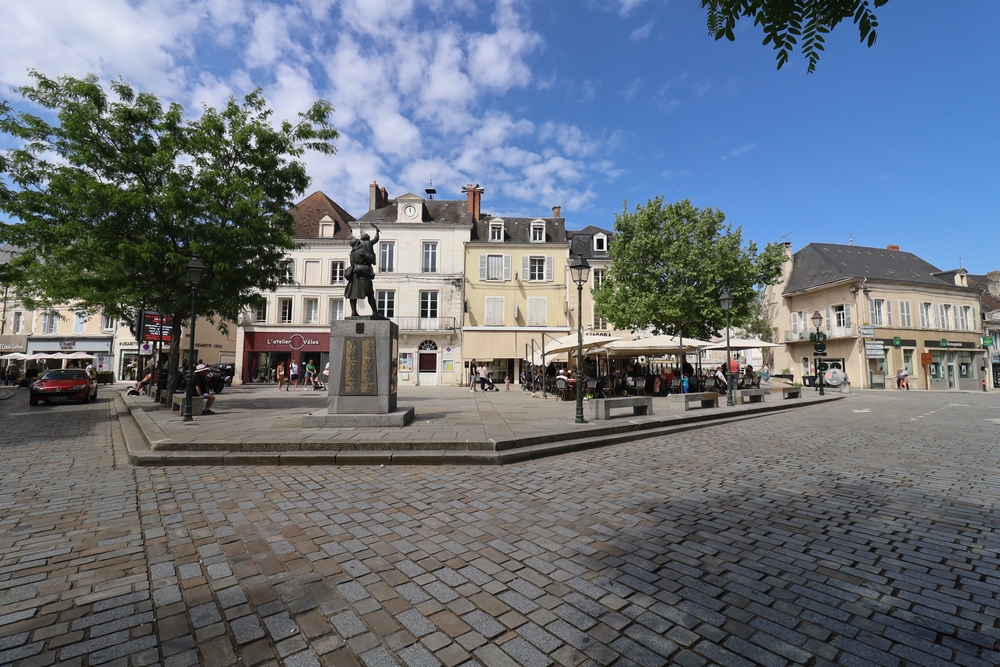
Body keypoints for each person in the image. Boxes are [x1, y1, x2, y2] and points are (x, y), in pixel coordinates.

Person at [344, 225, 383, 318]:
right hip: (363, 275)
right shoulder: (361, 251)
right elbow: (372, 260)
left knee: (353, 294)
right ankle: (375, 312)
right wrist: (372, 257)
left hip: (354, 276)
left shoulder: (352, 253)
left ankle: (354, 311)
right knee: (370, 294)